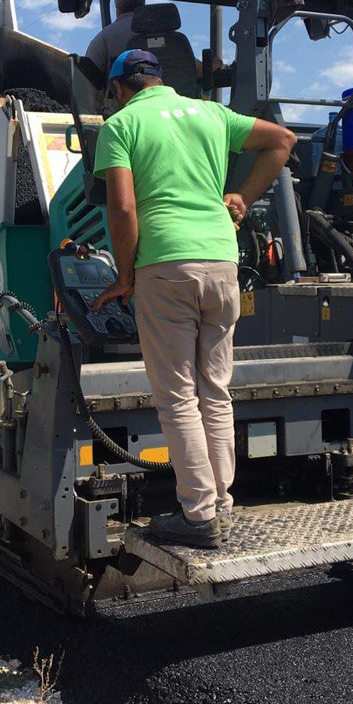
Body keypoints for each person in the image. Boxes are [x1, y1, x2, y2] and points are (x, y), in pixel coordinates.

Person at [91, 50, 296, 549]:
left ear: (119, 88)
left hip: (165, 266)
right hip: (222, 263)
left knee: (178, 396)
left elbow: (121, 207)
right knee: (216, 391)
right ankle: (221, 503)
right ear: (159, 79)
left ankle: (199, 514)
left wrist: (123, 275)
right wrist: (242, 195)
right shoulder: (211, 113)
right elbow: (283, 141)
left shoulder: (121, 125)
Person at [84, 0, 146, 79]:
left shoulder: (104, 37)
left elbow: (87, 76)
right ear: (143, 3)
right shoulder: (167, 31)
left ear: (118, 7)